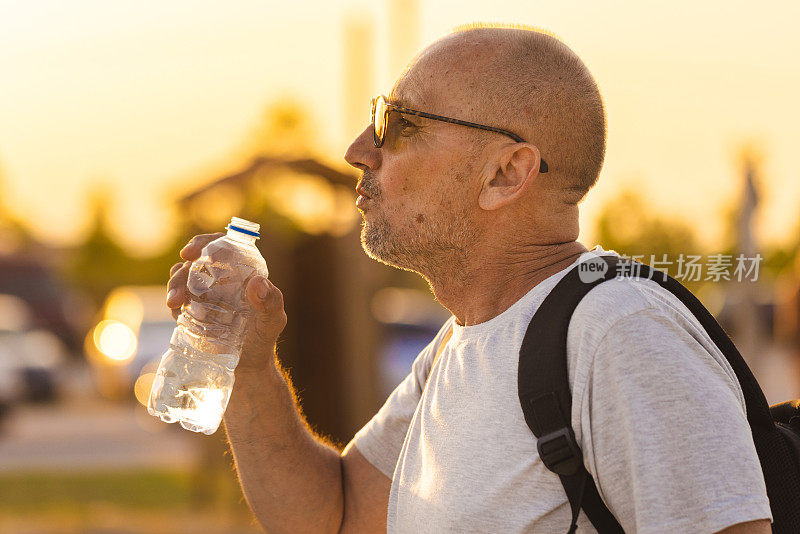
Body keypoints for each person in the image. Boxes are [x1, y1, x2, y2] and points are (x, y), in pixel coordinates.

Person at [166, 25, 773, 533]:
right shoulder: (463, 343)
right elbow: (334, 515)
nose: (357, 150)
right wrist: (249, 369)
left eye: (396, 125)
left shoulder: (621, 334)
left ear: (506, 174)